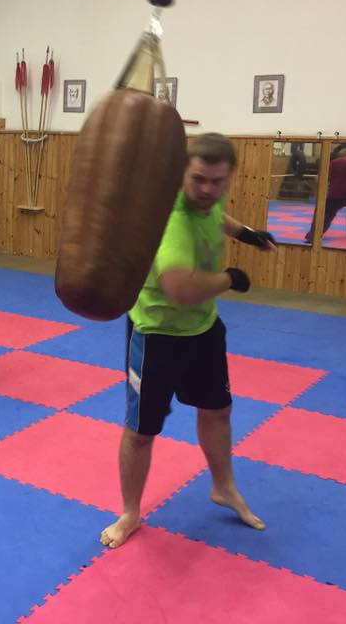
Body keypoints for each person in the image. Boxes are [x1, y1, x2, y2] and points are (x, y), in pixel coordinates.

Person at [101, 132, 277, 549]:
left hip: (203, 330)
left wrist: (246, 233)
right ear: (183, 174)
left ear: (228, 177)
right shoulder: (173, 222)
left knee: (217, 411)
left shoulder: (208, 198)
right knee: (142, 430)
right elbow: (180, 288)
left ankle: (223, 486)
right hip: (157, 335)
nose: (208, 190)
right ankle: (130, 513)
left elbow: (217, 215)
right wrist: (231, 278)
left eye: (218, 181)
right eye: (198, 180)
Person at [304, 146, 346, 242]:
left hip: (336, 193)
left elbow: (325, 176)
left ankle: (313, 235)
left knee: (325, 215)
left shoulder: (334, 162)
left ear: (339, 155)